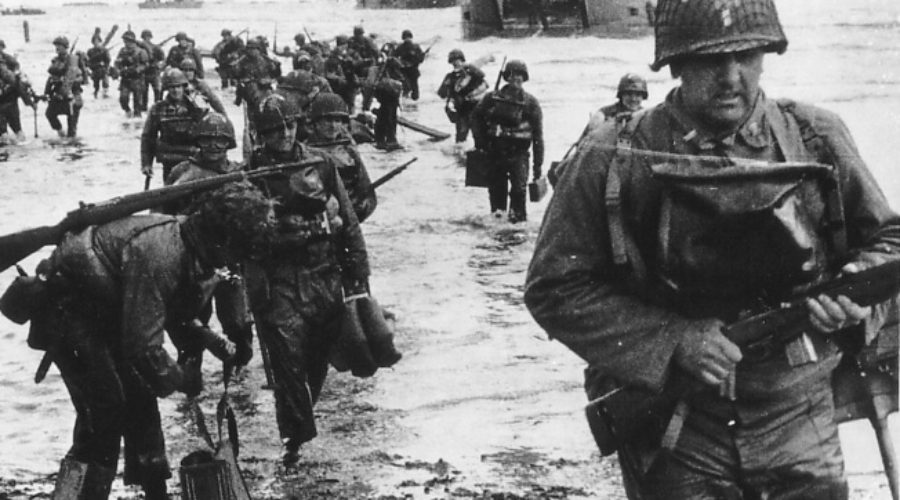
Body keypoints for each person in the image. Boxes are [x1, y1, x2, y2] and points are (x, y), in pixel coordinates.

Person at [523, 0, 900, 498]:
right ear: (676, 64)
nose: (731, 76)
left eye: (746, 55)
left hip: (798, 417)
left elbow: (888, 241)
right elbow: (554, 288)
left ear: (767, 54)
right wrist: (673, 339)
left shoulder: (815, 137)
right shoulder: (613, 156)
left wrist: (851, 291)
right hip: (678, 428)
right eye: (709, 60)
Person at [28, 182, 274, 500]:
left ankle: (156, 494)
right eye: (235, 251)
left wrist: (210, 340)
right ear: (221, 238)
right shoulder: (161, 252)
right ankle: (73, 495)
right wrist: (179, 378)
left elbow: (173, 310)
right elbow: (142, 345)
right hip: (69, 313)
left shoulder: (196, 248)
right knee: (105, 409)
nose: (234, 262)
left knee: (142, 403)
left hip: (111, 312)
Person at [245, 95, 370, 467]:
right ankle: (294, 440)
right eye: (272, 130)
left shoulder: (321, 162)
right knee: (286, 362)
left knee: (318, 357)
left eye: (288, 125)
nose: (283, 134)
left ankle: (299, 424)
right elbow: (248, 234)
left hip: (325, 274)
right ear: (259, 134)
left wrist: (359, 271)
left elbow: (347, 220)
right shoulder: (248, 173)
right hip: (279, 279)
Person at [165, 112, 255, 370]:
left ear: (229, 143)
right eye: (207, 139)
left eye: (220, 140)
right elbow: (162, 213)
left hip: (229, 259)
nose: (214, 146)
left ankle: (238, 368)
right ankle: (190, 376)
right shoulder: (182, 172)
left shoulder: (239, 173)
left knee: (238, 322)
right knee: (190, 322)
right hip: (191, 261)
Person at [471, 59, 543, 223]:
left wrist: (538, 166)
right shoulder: (491, 98)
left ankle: (516, 229)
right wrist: (480, 142)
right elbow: (476, 117)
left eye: (519, 75)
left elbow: (538, 136)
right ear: (506, 77)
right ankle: (498, 231)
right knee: (497, 194)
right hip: (495, 153)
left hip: (519, 154)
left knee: (519, 191)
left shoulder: (531, 103)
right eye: (512, 75)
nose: (515, 79)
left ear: (524, 78)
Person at [305, 93, 376, 222]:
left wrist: (360, 209)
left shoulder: (349, 151)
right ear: (316, 123)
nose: (332, 126)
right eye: (327, 120)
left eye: (337, 121)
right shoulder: (304, 152)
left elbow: (368, 192)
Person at [141, 68, 204, 183]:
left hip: (192, 159)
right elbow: (148, 137)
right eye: (172, 87)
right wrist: (146, 164)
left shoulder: (195, 107)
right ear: (167, 89)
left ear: (184, 87)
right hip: (169, 160)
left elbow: (207, 131)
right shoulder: (158, 109)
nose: (175, 91)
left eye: (178, 87)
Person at [437, 49, 488, 144]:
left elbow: (482, 78)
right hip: (461, 111)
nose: (456, 63)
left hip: (475, 110)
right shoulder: (450, 77)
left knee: (478, 137)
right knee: (461, 139)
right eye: (453, 61)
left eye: (457, 60)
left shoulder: (472, 74)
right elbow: (442, 93)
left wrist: (470, 67)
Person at [44, 36, 85, 139]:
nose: (57, 48)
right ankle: (61, 133)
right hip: (59, 95)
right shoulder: (55, 60)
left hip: (72, 95)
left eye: (59, 46)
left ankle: (73, 146)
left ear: (65, 47)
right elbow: (51, 78)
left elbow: (70, 78)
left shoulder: (72, 59)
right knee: (50, 114)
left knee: (72, 127)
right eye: (56, 46)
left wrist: (61, 93)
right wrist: (47, 93)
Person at [370, 56, 405, 151]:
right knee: (390, 119)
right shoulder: (391, 77)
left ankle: (380, 141)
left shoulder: (380, 74)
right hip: (390, 99)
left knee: (383, 118)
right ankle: (391, 141)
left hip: (384, 100)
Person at [114, 30, 149, 118]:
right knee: (123, 99)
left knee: (137, 103)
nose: (126, 43)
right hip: (125, 79)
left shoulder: (141, 52)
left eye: (128, 41)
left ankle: (137, 122)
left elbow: (145, 65)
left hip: (137, 79)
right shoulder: (122, 51)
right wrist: (118, 69)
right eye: (125, 41)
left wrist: (138, 69)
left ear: (132, 41)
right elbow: (117, 63)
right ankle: (128, 111)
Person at [393, 29, 425, 101]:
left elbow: (420, 59)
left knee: (414, 91)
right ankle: (407, 102)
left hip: (412, 71)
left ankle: (412, 102)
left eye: (408, 37)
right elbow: (394, 57)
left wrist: (422, 56)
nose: (407, 39)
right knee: (407, 89)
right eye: (406, 37)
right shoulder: (402, 47)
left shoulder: (414, 47)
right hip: (404, 71)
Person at [138, 29, 166, 107]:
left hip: (154, 72)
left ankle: (157, 106)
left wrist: (158, 66)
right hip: (144, 73)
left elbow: (162, 59)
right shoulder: (139, 48)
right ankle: (144, 107)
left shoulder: (156, 47)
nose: (146, 39)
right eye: (145, 37)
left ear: (150, 37)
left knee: (157, 91)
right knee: (144, 92)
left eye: (148, 37)